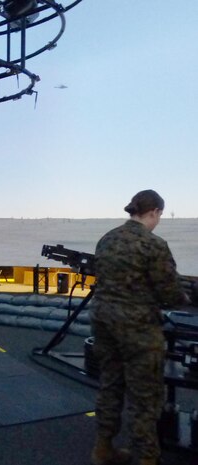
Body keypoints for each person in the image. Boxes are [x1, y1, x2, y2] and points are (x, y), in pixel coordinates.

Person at [90, 190, 189, 465]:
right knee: (145, 395)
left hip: (103, 322)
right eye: (160, 215)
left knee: (110, 384)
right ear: (155, 211)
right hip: (138, 329)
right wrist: (186, 298)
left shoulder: (107, 239)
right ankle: (146, 458)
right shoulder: (153, 244)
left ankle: (103, 448)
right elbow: (169, 293)